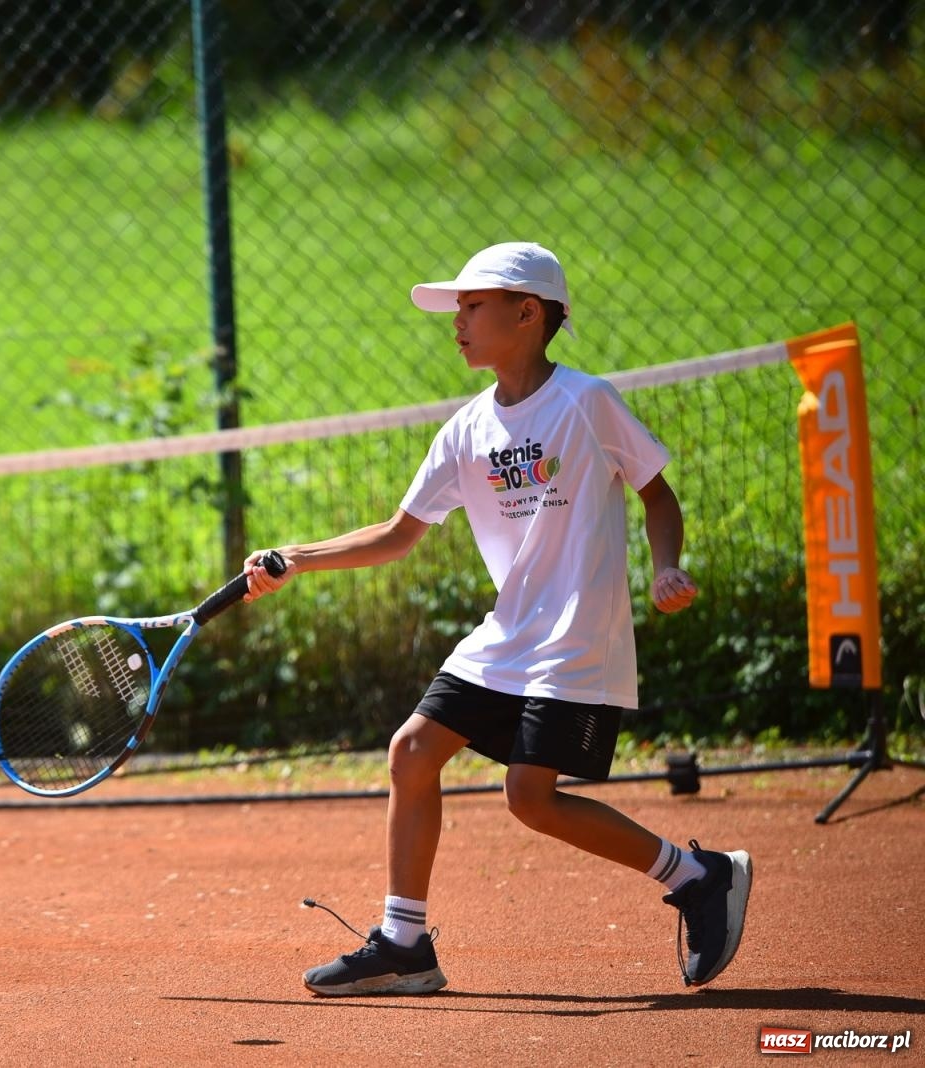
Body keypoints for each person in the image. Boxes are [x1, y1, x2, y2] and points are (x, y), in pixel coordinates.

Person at [241, 241, 751, 996]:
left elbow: (657, 495)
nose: (457, 320)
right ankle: (404, 945)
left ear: (527, 313)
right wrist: (300, 556)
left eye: (472, 306)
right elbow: (398, 534)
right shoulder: (466, 429)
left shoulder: (587, 401)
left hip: (577, 637)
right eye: (458, 308)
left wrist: (665, 564)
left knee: (530, 797)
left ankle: (699, 876)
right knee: (412, 750)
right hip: (507, 634)